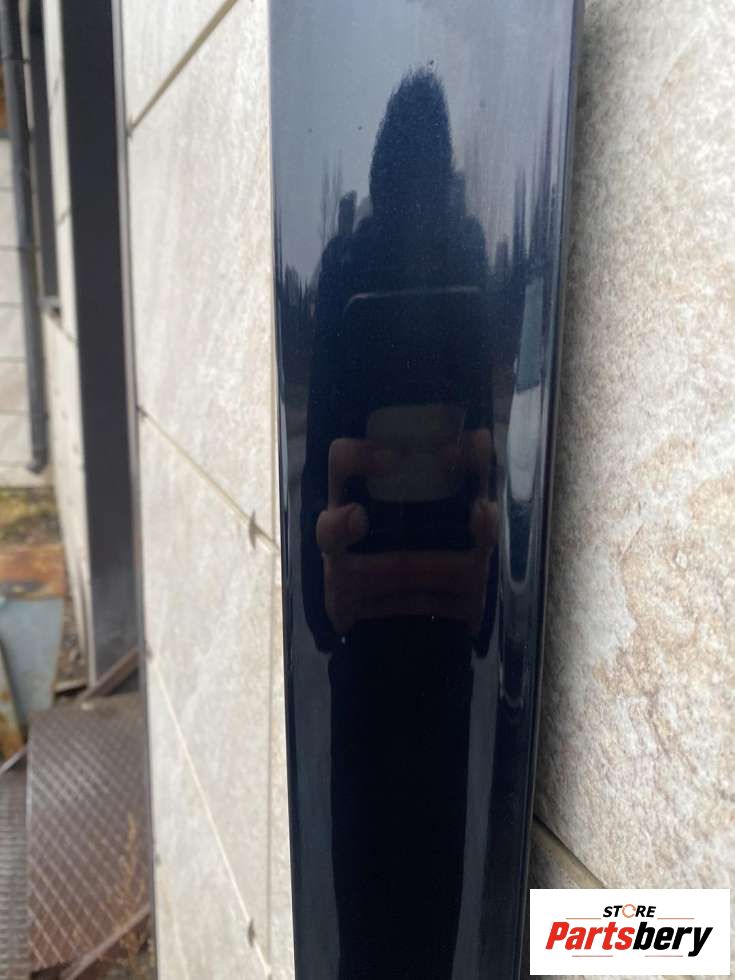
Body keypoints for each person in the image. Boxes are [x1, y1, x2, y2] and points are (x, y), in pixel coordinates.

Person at [300, 68, 498, 978]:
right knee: (409, 920)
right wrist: (326, 572)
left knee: (397, 927)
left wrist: (494, 532)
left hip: (426, 651)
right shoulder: (350, 266)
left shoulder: (461, 261)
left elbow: (491, 458)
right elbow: (320, 487)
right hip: (391, 653)